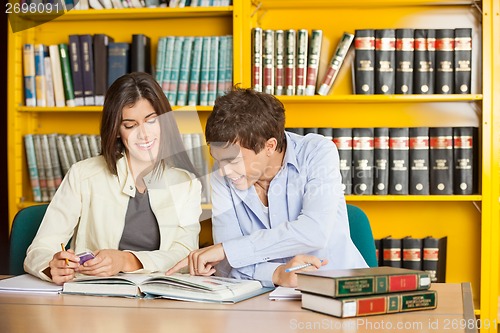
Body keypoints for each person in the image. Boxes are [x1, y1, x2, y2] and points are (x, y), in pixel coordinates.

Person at [167, 87, 367, 288]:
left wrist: (230, 251)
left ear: (269, 146)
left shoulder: (317, 152)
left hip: (338, 289)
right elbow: (227, 263)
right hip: (264, 299)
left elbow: (314, 232)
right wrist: (276, 274)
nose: (224, 171)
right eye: (218, 160)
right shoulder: (223, 171)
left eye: (233, 160)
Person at [25, 72, 203, 285]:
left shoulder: (187, 184)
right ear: (117, 130)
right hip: (95, 299)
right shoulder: (83, 175)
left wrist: (127, 261)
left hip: (161, 299)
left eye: (151, 120)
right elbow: (40, 248)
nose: (144, 135)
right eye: (130, 125)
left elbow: (185, 254)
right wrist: (51, 266)